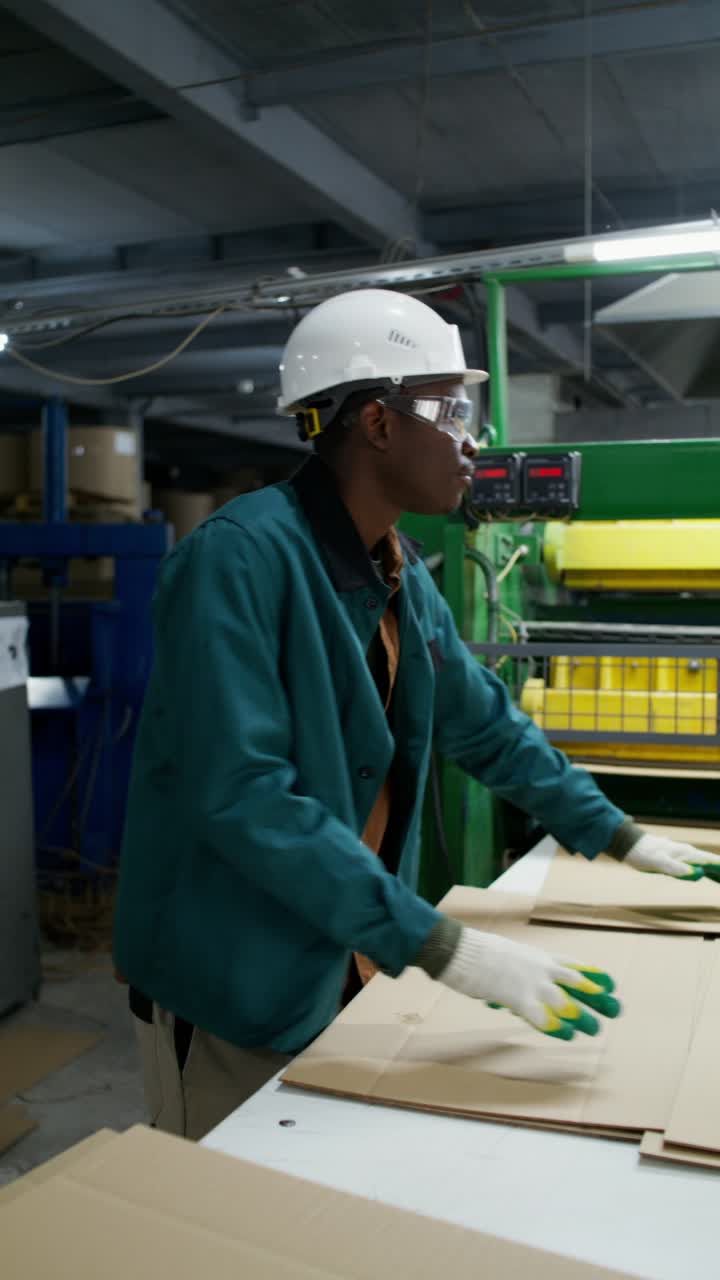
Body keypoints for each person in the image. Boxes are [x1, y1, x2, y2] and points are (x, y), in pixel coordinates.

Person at [113, 288, 720, 1141]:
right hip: (232, 981)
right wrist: (446, 946)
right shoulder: (237, 561)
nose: (475, 437)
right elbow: (244, 795)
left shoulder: (400, 572)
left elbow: (488, 726)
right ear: (378, 423)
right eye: (451, 406)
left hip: (337, 958)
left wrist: (620, 835)